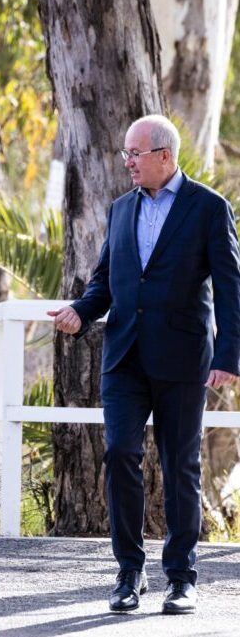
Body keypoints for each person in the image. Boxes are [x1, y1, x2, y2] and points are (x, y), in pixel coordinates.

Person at [48, 115, 240, 615]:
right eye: (125, 154)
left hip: (182, 358)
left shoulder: (209, 208)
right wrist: (79, 311)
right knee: (120, 456)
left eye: (135, 153)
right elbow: (105, 281)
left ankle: (181, 577)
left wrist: (228, 356)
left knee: (180, 466)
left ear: (164, 156)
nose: (128, 161)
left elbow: (230, 288)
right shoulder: (119, 209)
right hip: (124, 357)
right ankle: (129, 572)